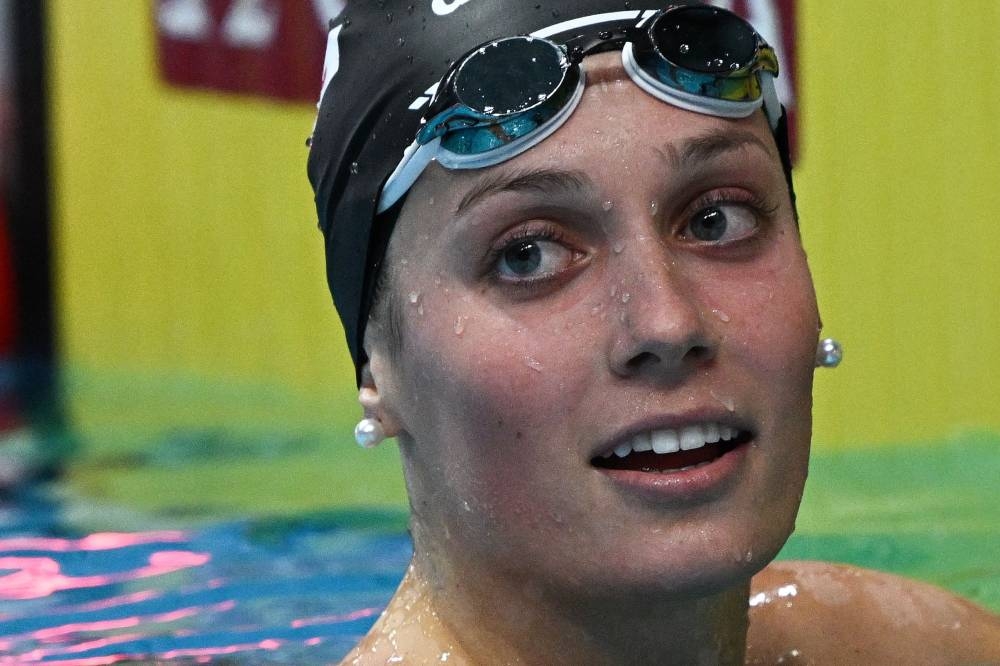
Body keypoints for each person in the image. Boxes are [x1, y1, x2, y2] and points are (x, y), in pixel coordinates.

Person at [308, 2, 1000, 663]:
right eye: (529, 256)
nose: (668, 324)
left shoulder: (903, 647)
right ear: (378, 368)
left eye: (715, 219)